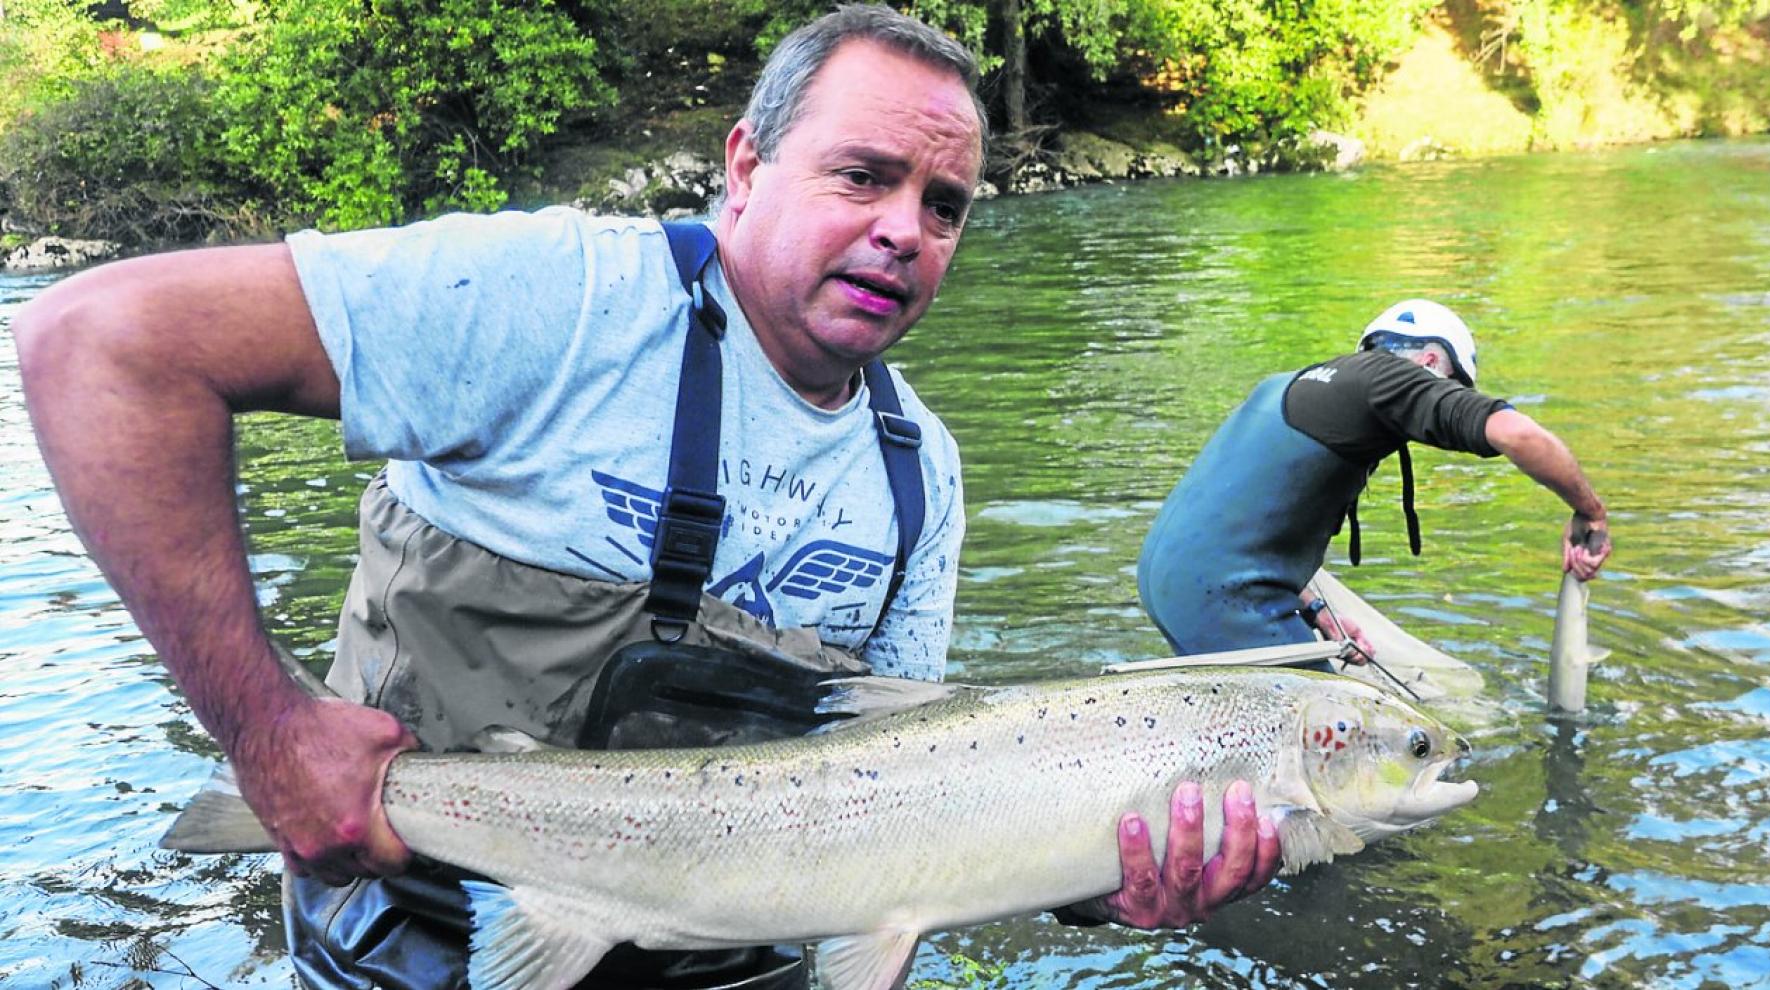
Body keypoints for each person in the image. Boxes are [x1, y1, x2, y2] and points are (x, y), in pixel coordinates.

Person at [14, 6, 1276, 987]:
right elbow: (99, 342)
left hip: (730, 962)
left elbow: (900, 791)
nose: (907, 230)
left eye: (943, 206)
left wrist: (1097, 880)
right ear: (744, 163)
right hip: (412, 930)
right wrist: (268, 732)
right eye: (864, 176)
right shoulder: (558, 300)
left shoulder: (920, 474)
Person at [1137, 299, 1612, 668]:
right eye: (1451, 388)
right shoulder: (1393, 379)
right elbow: (1517, 433)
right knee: (1328, 753)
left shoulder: (1289, 384)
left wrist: (1318, 612)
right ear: (1431, 361)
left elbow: (1245, 525)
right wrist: (1590, 511)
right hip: (1223, 595)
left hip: (1167, 581)